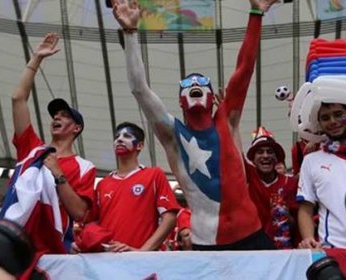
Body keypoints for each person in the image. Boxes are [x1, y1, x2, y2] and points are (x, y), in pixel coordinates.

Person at [112, 0, 278, 250]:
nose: (195, 85)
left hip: (252, 236)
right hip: (207, 244)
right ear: (181, 101)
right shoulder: (173, 135)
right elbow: (139, 89)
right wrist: (130, 33)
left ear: (212, 98)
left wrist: (256, 13)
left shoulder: (228, 120)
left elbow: (244, 69)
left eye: (202, 84)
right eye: (187, 86)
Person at [10, 33, 96, 259]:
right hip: (15, 247)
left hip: (53, 253)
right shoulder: (32, 149)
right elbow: (18, 99)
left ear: (76, 128)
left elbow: (79, 212)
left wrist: (58, 173)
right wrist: (36, 59)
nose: (56, 117)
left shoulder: (84, 167)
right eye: (54, 114)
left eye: (64, 115)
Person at [74, 122, 179, 252]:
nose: (119, 139)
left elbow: (169, 218)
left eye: (127, 136)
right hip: (107, 261)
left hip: (141, 263)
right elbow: (91, 224)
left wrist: (142, 252)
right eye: (117, 137)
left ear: (140, 145)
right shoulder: (102, 184)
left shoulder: (154, 175)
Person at [297, 99, 346, 249]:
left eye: (338, 114)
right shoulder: (311, 161)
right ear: (319, 123)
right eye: (325, 118)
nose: (333, 121)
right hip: (333, 252)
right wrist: (308, 238)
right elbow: (305, 208)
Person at [245, 127, 299, 249]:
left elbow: (298, 225)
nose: (265, 155)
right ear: (253, 159)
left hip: (281, 252)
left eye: (270, 152)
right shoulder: (248, 178)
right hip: (251, 252)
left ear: (277, 158)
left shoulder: (290, 183)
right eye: (260, 152)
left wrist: (285, 216)